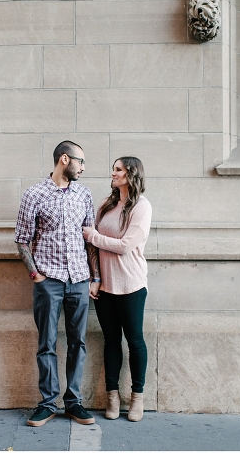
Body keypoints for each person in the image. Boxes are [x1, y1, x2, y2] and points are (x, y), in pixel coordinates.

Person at [15, 140, 101, 427]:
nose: (83, 167)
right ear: (65, 160)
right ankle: (47, 403)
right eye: (81, 161)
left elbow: (90, 239)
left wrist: (95, 277)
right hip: (48, 280)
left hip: (79, 280)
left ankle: (74, 403)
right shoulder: (34, 194)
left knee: (78, 342)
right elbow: (22, 240)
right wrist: (36, 276)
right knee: (47, 344)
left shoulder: (84, 195)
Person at [82, 156, 152, 422]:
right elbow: (92, 248)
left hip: (132, 285)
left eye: (118, 169)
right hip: (106, 287)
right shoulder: (106, 204)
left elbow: (125, 246)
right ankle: (112, 397)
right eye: (113, 168)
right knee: (111, 342)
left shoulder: (142, 207)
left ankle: (137, 399)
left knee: (134, 341)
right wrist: (95, 277)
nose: (113, 173)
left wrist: (95, 236)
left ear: (131, 173)